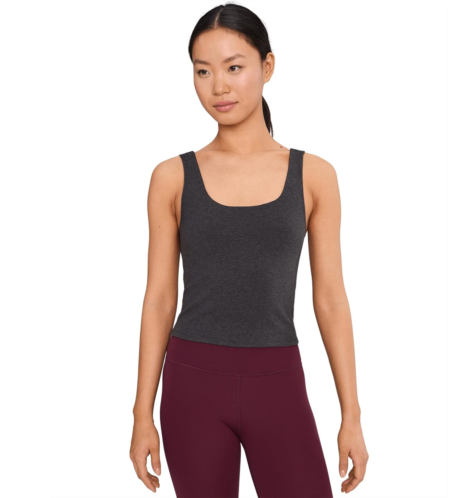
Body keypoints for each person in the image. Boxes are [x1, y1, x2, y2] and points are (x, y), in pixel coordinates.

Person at [130, 3, 369, 497]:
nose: (218, 86)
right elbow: (159, 300)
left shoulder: (314, 176)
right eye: (203, 71)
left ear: (268, 66)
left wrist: (352, 415)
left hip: (278, 380)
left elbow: (330, 299)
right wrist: (141, 414)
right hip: (192, 384)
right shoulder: (171, 178)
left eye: (234, 67)